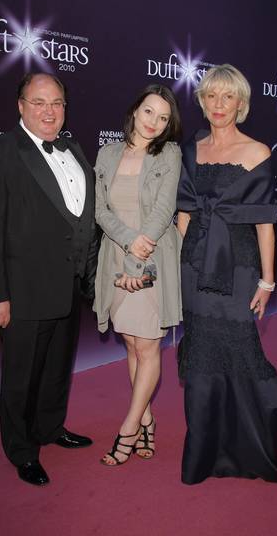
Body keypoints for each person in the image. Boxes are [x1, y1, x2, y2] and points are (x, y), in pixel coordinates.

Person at [0, 72, 98, 486]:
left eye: (57, 103)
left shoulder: (74, 150)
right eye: (39, 102)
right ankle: (22, 450)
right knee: (21, 377)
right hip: (23, 291)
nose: (49, 111)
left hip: (68, 286)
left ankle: (50, 427)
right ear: (20, 105)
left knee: (57, 369)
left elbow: (82, 220)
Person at [177, 64, 277, 484]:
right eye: (211, 96)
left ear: (241, 103)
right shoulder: (192, 149)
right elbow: (184, 213)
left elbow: (264, 223)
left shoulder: (257, 151)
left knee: (242, 350)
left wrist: (267, 280)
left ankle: (252, 444)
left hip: (238, 267)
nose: (218, 104)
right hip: (194, 266)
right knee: (201, 355)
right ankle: (205, 451)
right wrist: (185, 261)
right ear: (202, 101)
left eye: (228, 96)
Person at [94, 84, 182, 466]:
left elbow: (163, 212)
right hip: (116, 255)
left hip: (153, 256)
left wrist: (137, 257)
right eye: (149, 112)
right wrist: (128, 245)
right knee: (131, 342)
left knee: (147, 345)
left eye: (163, 118)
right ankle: (147, 418)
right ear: (135, 110)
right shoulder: (108, 153)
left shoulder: (170, 154)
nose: (154, 123)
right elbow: (100, 209)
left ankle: (129, 427)